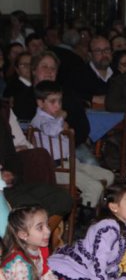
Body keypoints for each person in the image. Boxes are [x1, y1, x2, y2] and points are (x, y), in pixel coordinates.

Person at [31, 80, 114, 208]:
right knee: (95, 186)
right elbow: (51, 130)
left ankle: (87, 202)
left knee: (109, 176)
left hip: (71, 163)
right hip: (56, 168)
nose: (57, 106)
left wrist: (67, 130)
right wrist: (61, 118)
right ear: (40, 103)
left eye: (60, 101)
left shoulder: (55, 120)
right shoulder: (39, 120)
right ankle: (85, 214)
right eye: (52, 101)